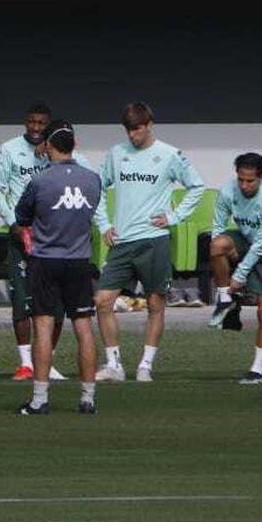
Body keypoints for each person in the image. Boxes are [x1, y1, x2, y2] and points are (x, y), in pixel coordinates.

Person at [93, 102, 206, 383]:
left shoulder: (169, 155)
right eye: (129, 130)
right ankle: (114, 365)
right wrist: (104, 224)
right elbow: (96, 189)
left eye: (137, 129)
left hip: (154, 240)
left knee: (155, 304)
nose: (133, 136)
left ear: (149, 124)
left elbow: (197, 186)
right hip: (122, 242)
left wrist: (174, 216)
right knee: (103, 301)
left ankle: (145, 365)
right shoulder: (116, 154)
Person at [13, 122, 101, 415]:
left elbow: (21, 215)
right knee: (84, 327)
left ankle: (40, 399)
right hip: (78, 261)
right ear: (74, 146)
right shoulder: (92, 179)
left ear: (48, 146)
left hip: (45, 260)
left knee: (43, 327)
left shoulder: (40, 181)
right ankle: (88, 398)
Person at [0, 103, 85, 381]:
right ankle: (25, 363)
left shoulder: (64, 158)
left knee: (54, 305)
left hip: (53, 238)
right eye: (31, 122)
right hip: (20, 234)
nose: (35, 128)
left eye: (41, 124)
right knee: (22, 301)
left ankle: (48, 361)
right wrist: (15, 225)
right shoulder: (9, 150)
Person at [207, 153, 262, 384]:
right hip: (245, 239)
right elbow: (217, 226)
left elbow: (261, 245)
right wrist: (227, 249)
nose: (244, 185)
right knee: (217, 245)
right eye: (241, 179)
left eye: (250, 180)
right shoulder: (227, 191)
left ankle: (257, 370)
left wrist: (240, 275)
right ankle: (226, 299)